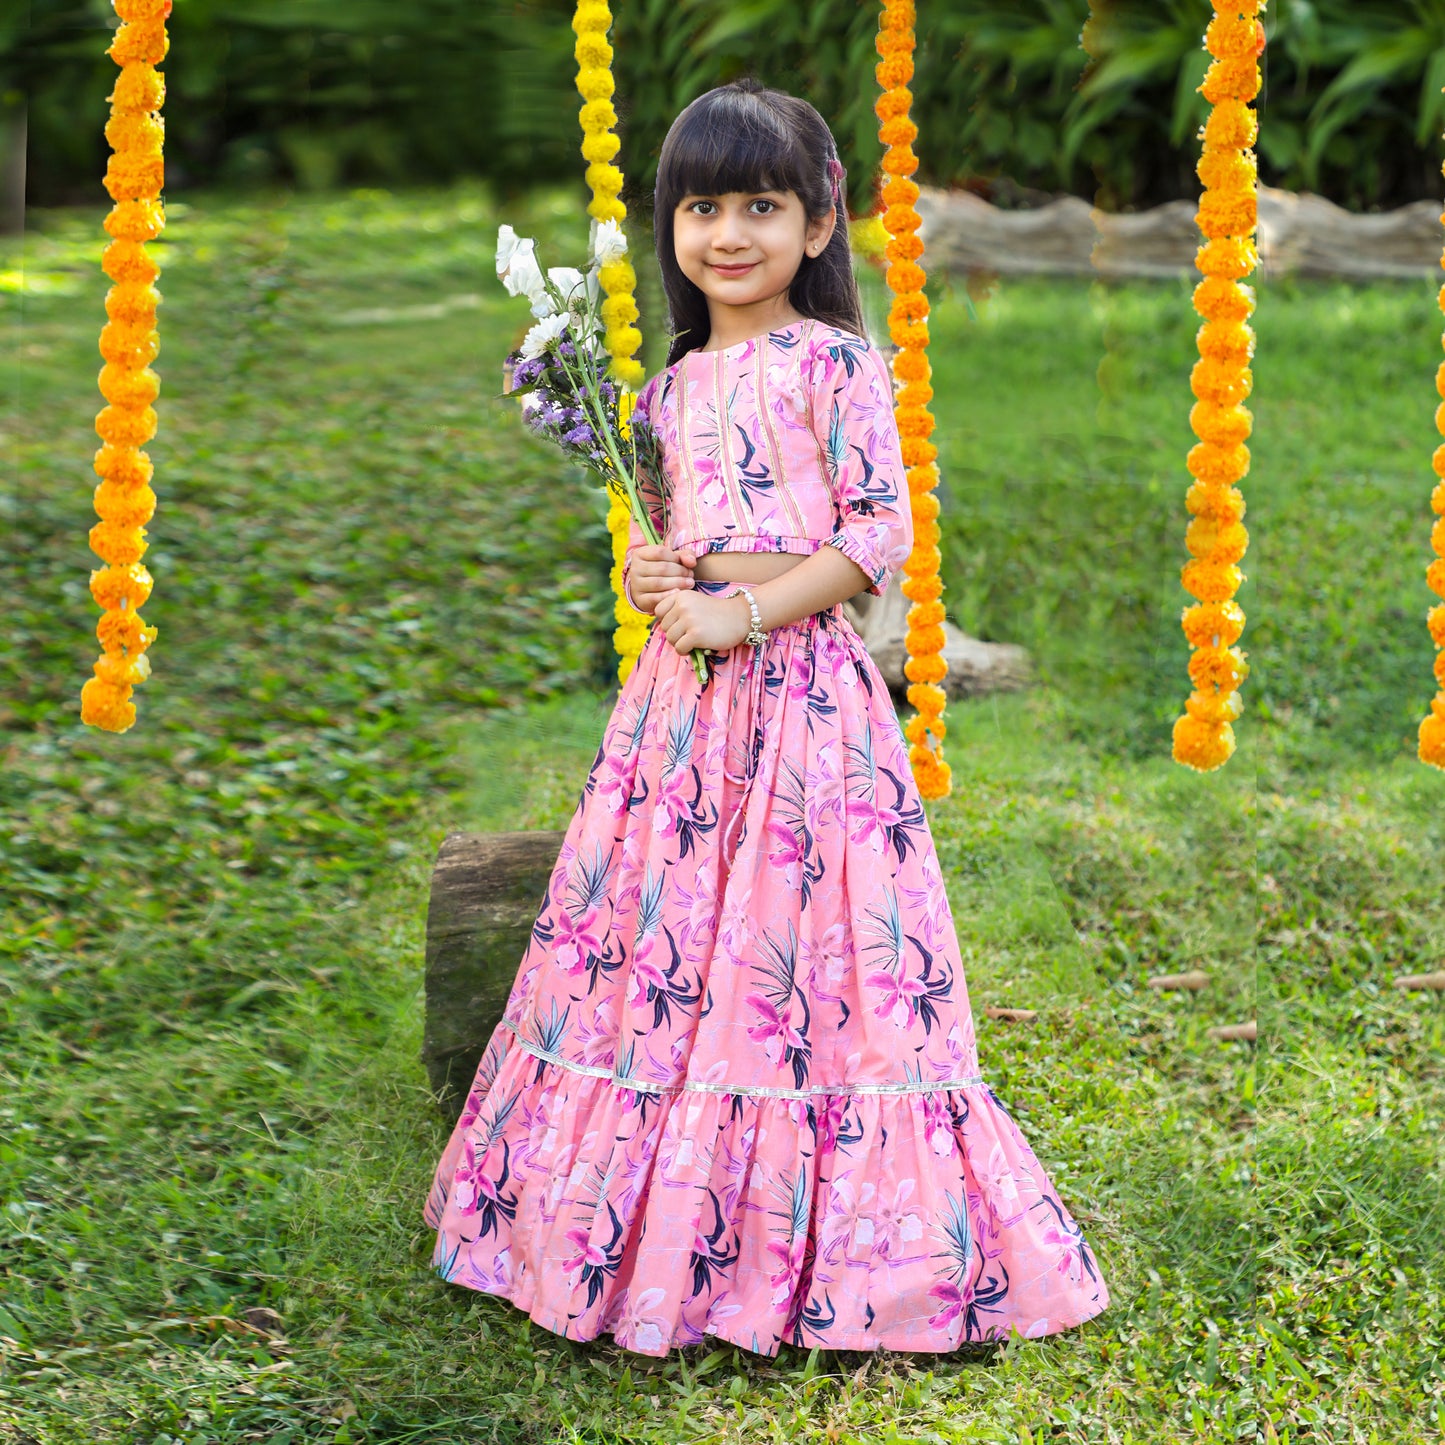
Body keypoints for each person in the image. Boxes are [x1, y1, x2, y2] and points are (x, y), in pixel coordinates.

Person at [423, 77, 1110, 1358]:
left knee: (798, 954)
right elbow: (669, 535)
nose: (728, 233)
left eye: (760, 205)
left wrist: (745, 614)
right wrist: (654, 574)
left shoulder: (834, 361)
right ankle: (628, 1225)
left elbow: (873, 533)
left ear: (816, 222)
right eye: (700, 207)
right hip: (680, 723)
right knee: (663, 944)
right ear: (667, 227)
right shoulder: (668, 387)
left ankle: (846, 1253)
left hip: (798, 703)